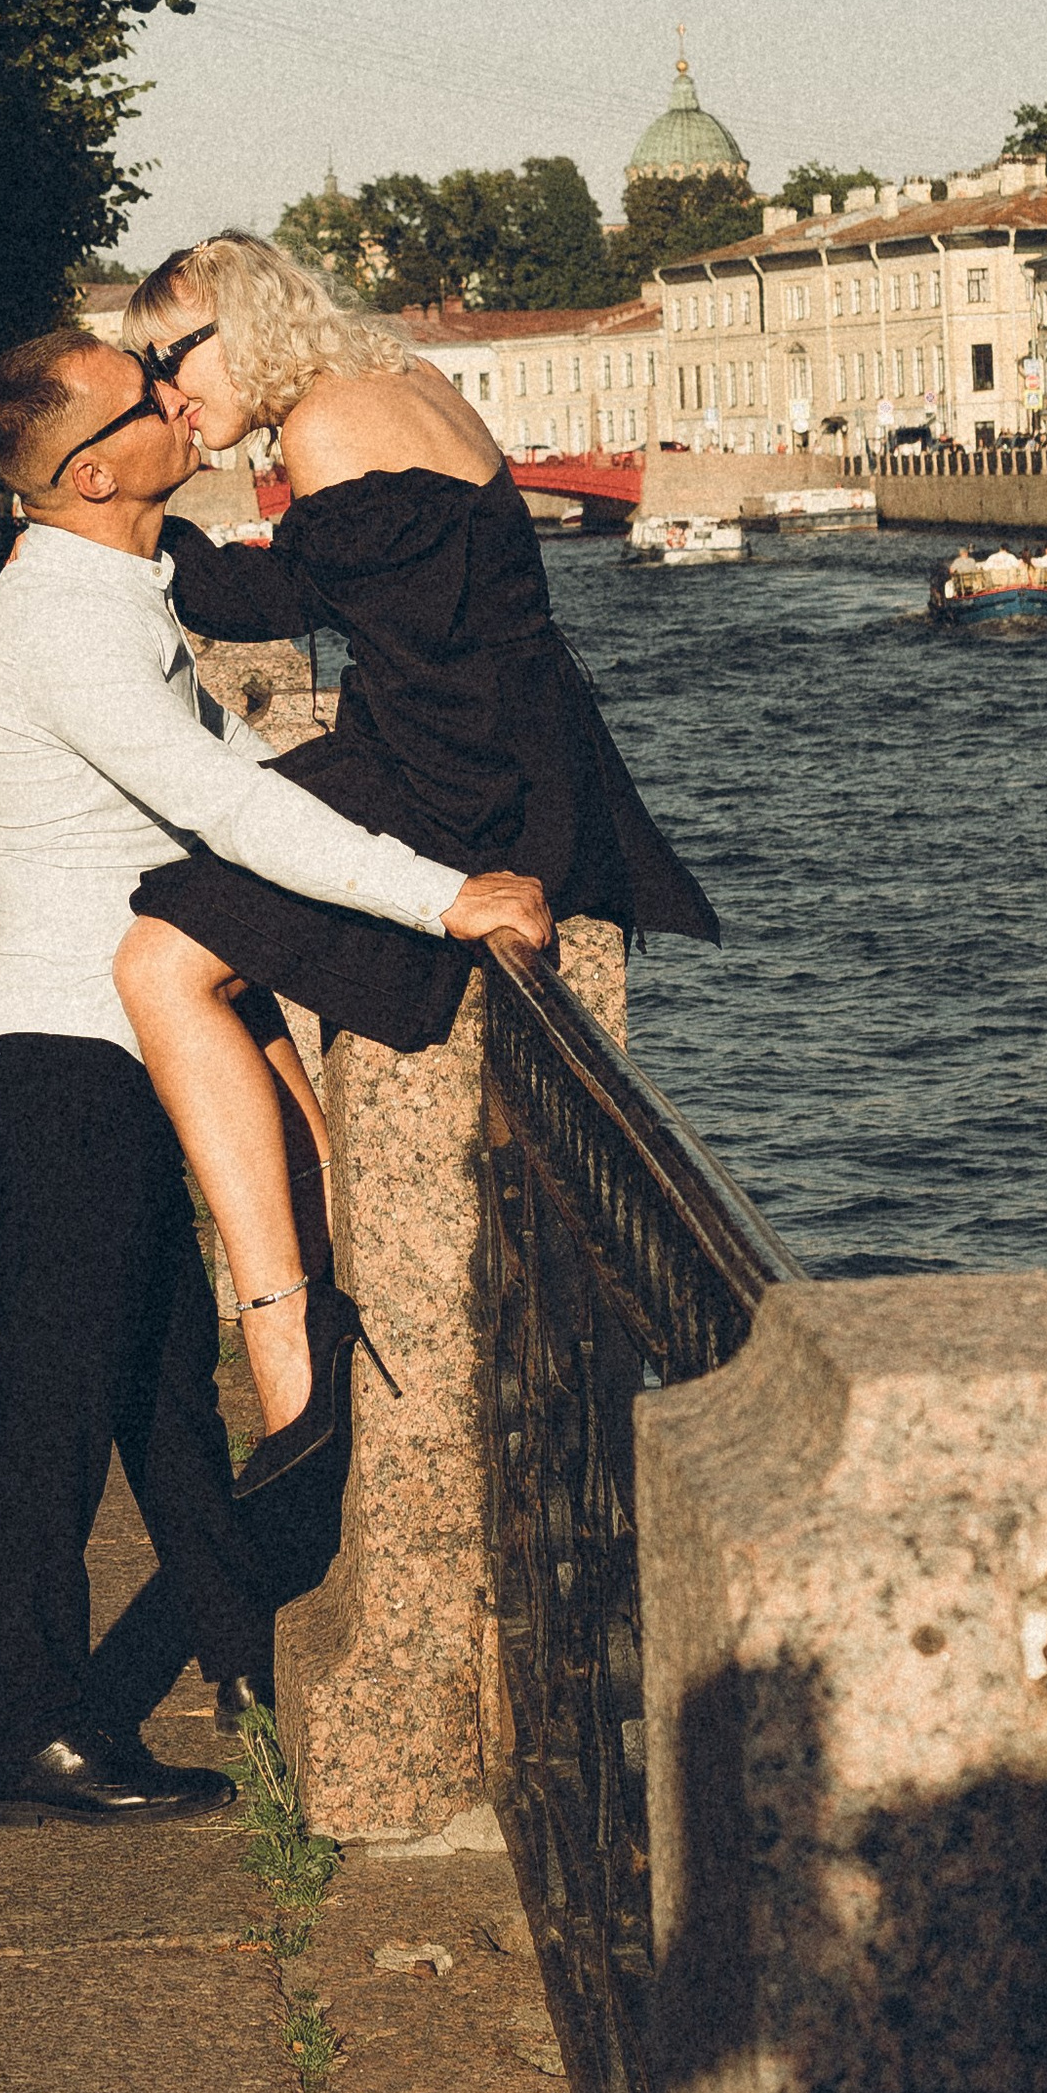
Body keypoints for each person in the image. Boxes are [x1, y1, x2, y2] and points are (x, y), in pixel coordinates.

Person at [0, 325, 551, 1827]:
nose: (176, 400)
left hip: (100, 1048)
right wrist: (443, 896)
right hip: (57, 1053)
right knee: (56, 1394)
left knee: (160, 1392)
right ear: (96, 473)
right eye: (142, 398)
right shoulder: (62, 623)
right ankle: (26, 1734)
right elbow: (229, 811)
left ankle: (241, 1659)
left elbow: (263, 783)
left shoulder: (118, 593)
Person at [109, 234, 718, 1490]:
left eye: (168, 364)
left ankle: (293, 1340)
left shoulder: (327, 423)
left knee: (165, 957)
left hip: (461, 776)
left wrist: (124, 517)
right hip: (509, 747)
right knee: (210, 921)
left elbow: (266, 608)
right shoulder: (402, 381)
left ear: (236, 328)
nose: (167, 397)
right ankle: (324, 1251)